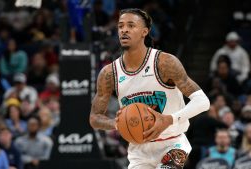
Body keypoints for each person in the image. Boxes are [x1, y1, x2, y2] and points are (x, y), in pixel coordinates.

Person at [89, 8, 210, 169]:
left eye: (131, 25)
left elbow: (203, 101)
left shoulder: (164, 62)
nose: (124, 29)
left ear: (144, 31)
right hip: (138, 150)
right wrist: (118, 124)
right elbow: (95, 118)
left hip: (173, 144)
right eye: (121, 26)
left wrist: (169, 119)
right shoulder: (109, 73)